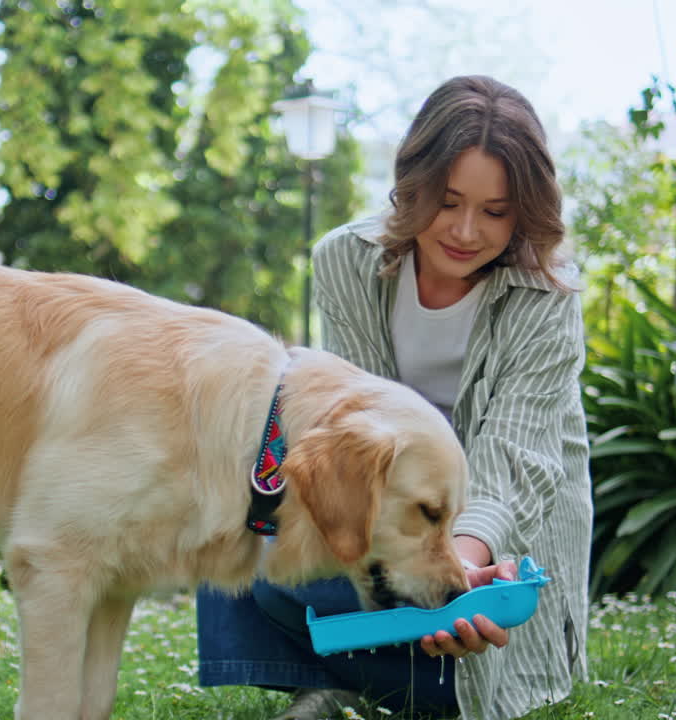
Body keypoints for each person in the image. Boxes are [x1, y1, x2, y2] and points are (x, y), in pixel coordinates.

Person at [196, 75, 592, 720]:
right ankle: (332, 678)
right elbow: (360, 429)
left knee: (471, 636)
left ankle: (367, 673)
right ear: (414, 183)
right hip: (398, 521)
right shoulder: (346, 261)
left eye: (495, 212)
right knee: (245, 525)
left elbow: (514, 463)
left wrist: (458, 571)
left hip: (500, 545)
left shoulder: (547, 300)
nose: (466, 230)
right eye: (448, 201)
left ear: (525, 211)